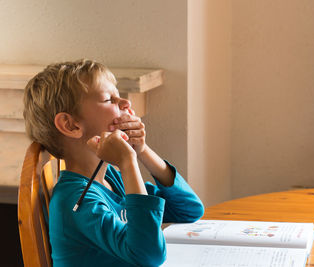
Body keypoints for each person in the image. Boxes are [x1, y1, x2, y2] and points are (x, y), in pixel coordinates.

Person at [23, 59, 204, 267]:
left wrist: (141, 151)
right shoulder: (75, 201)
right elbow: (148, 256)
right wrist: (127, 162)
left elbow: (188, 209)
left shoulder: (110, 178)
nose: (125, 103)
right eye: (109, 99)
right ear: (70, 125)